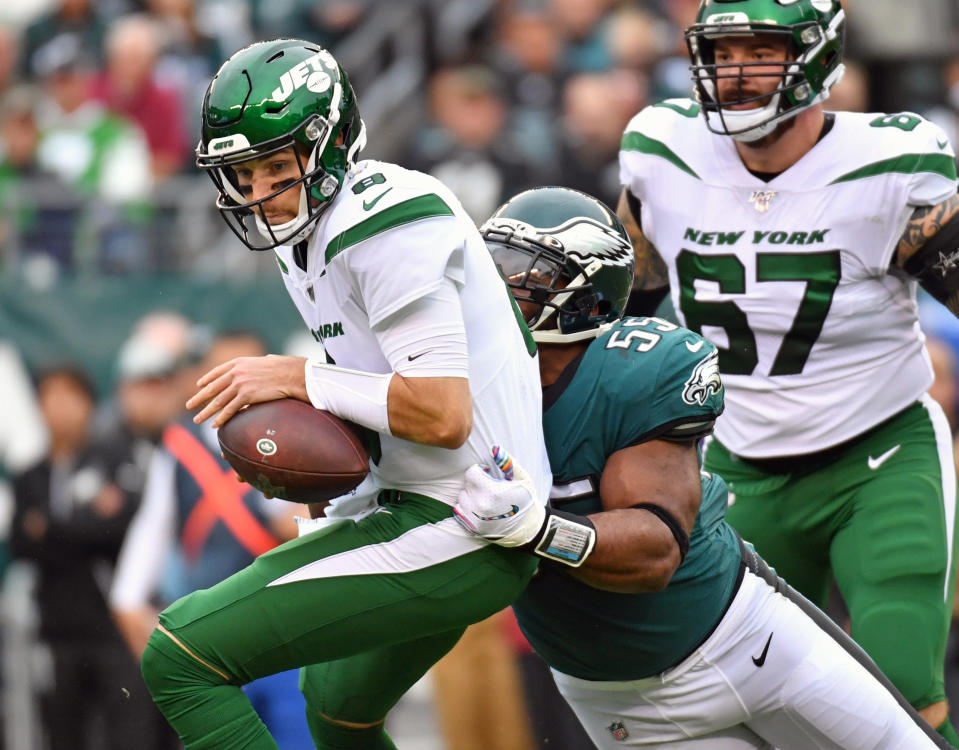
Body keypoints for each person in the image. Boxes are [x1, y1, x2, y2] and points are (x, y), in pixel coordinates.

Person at [138, 38, 551, 750]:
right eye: (244, 173)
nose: (261, 192)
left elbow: (443, 413)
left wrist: (296, 377)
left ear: (327, 147)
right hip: (417, 505)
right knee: (335, 708)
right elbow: (385, 390)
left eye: (277, 167)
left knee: (179, 655)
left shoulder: (380, 216)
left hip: (466, 520)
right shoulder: (309, 235)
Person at [455, 185, 955, 749]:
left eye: (525, 273)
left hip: (744, 639)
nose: (497, 287)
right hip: (613, 694)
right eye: (491, 265)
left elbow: (656, 549)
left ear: (582, 291)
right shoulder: (455, 382)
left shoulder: (635, 371)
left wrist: (542, 531)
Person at [616, 0, 959, 742]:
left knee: (898, 686)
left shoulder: (890, 166)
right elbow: (625, 316)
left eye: (760, 52)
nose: (734, 73)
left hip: (879, 457)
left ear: (816, 58)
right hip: (738, 460)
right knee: (754, 707)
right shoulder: (660, 150)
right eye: (721, 53)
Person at [110, 330, 312, 749]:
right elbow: (149, 533)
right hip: (214, 645)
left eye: (249, 370)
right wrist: (131, 606)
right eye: (224, 371)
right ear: (202, 377)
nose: (237, 384)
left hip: (290, 639)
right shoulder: (180, 445)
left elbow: (310, 524)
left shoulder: (302, 440)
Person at [9, 364, 167, 750]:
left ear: (90, 404)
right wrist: (83, 522)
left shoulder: (114, 459)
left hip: (114, 630)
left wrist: (50, 525)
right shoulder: (30, 475)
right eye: (49, 396)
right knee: (62, 734)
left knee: (130, 735)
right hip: (56, 633)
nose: (59, 407)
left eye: (69, 396)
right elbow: (20, 543)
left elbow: (119, 529)